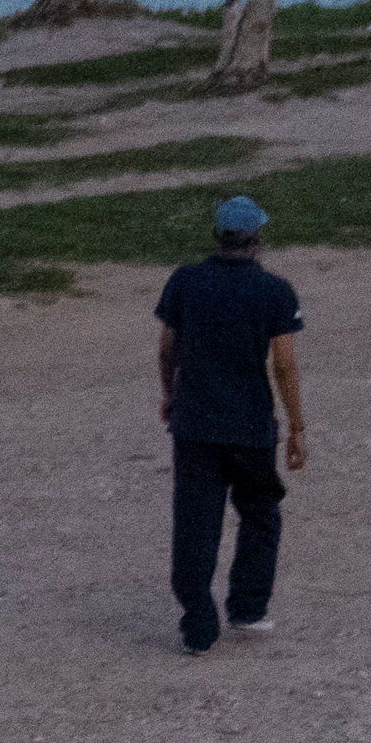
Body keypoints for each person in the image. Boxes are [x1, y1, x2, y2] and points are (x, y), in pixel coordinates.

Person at [153, 194, 309, 654]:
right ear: (258, 239)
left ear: (216, 237)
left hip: (195, 424)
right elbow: (283, 365)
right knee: (260, 513)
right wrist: (297, 426)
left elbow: (167, 348)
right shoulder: (275, 291)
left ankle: (198, 624)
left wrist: (170, 395)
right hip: (250, 427)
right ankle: (247, 606)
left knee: (195, 522)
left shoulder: (185, 282)